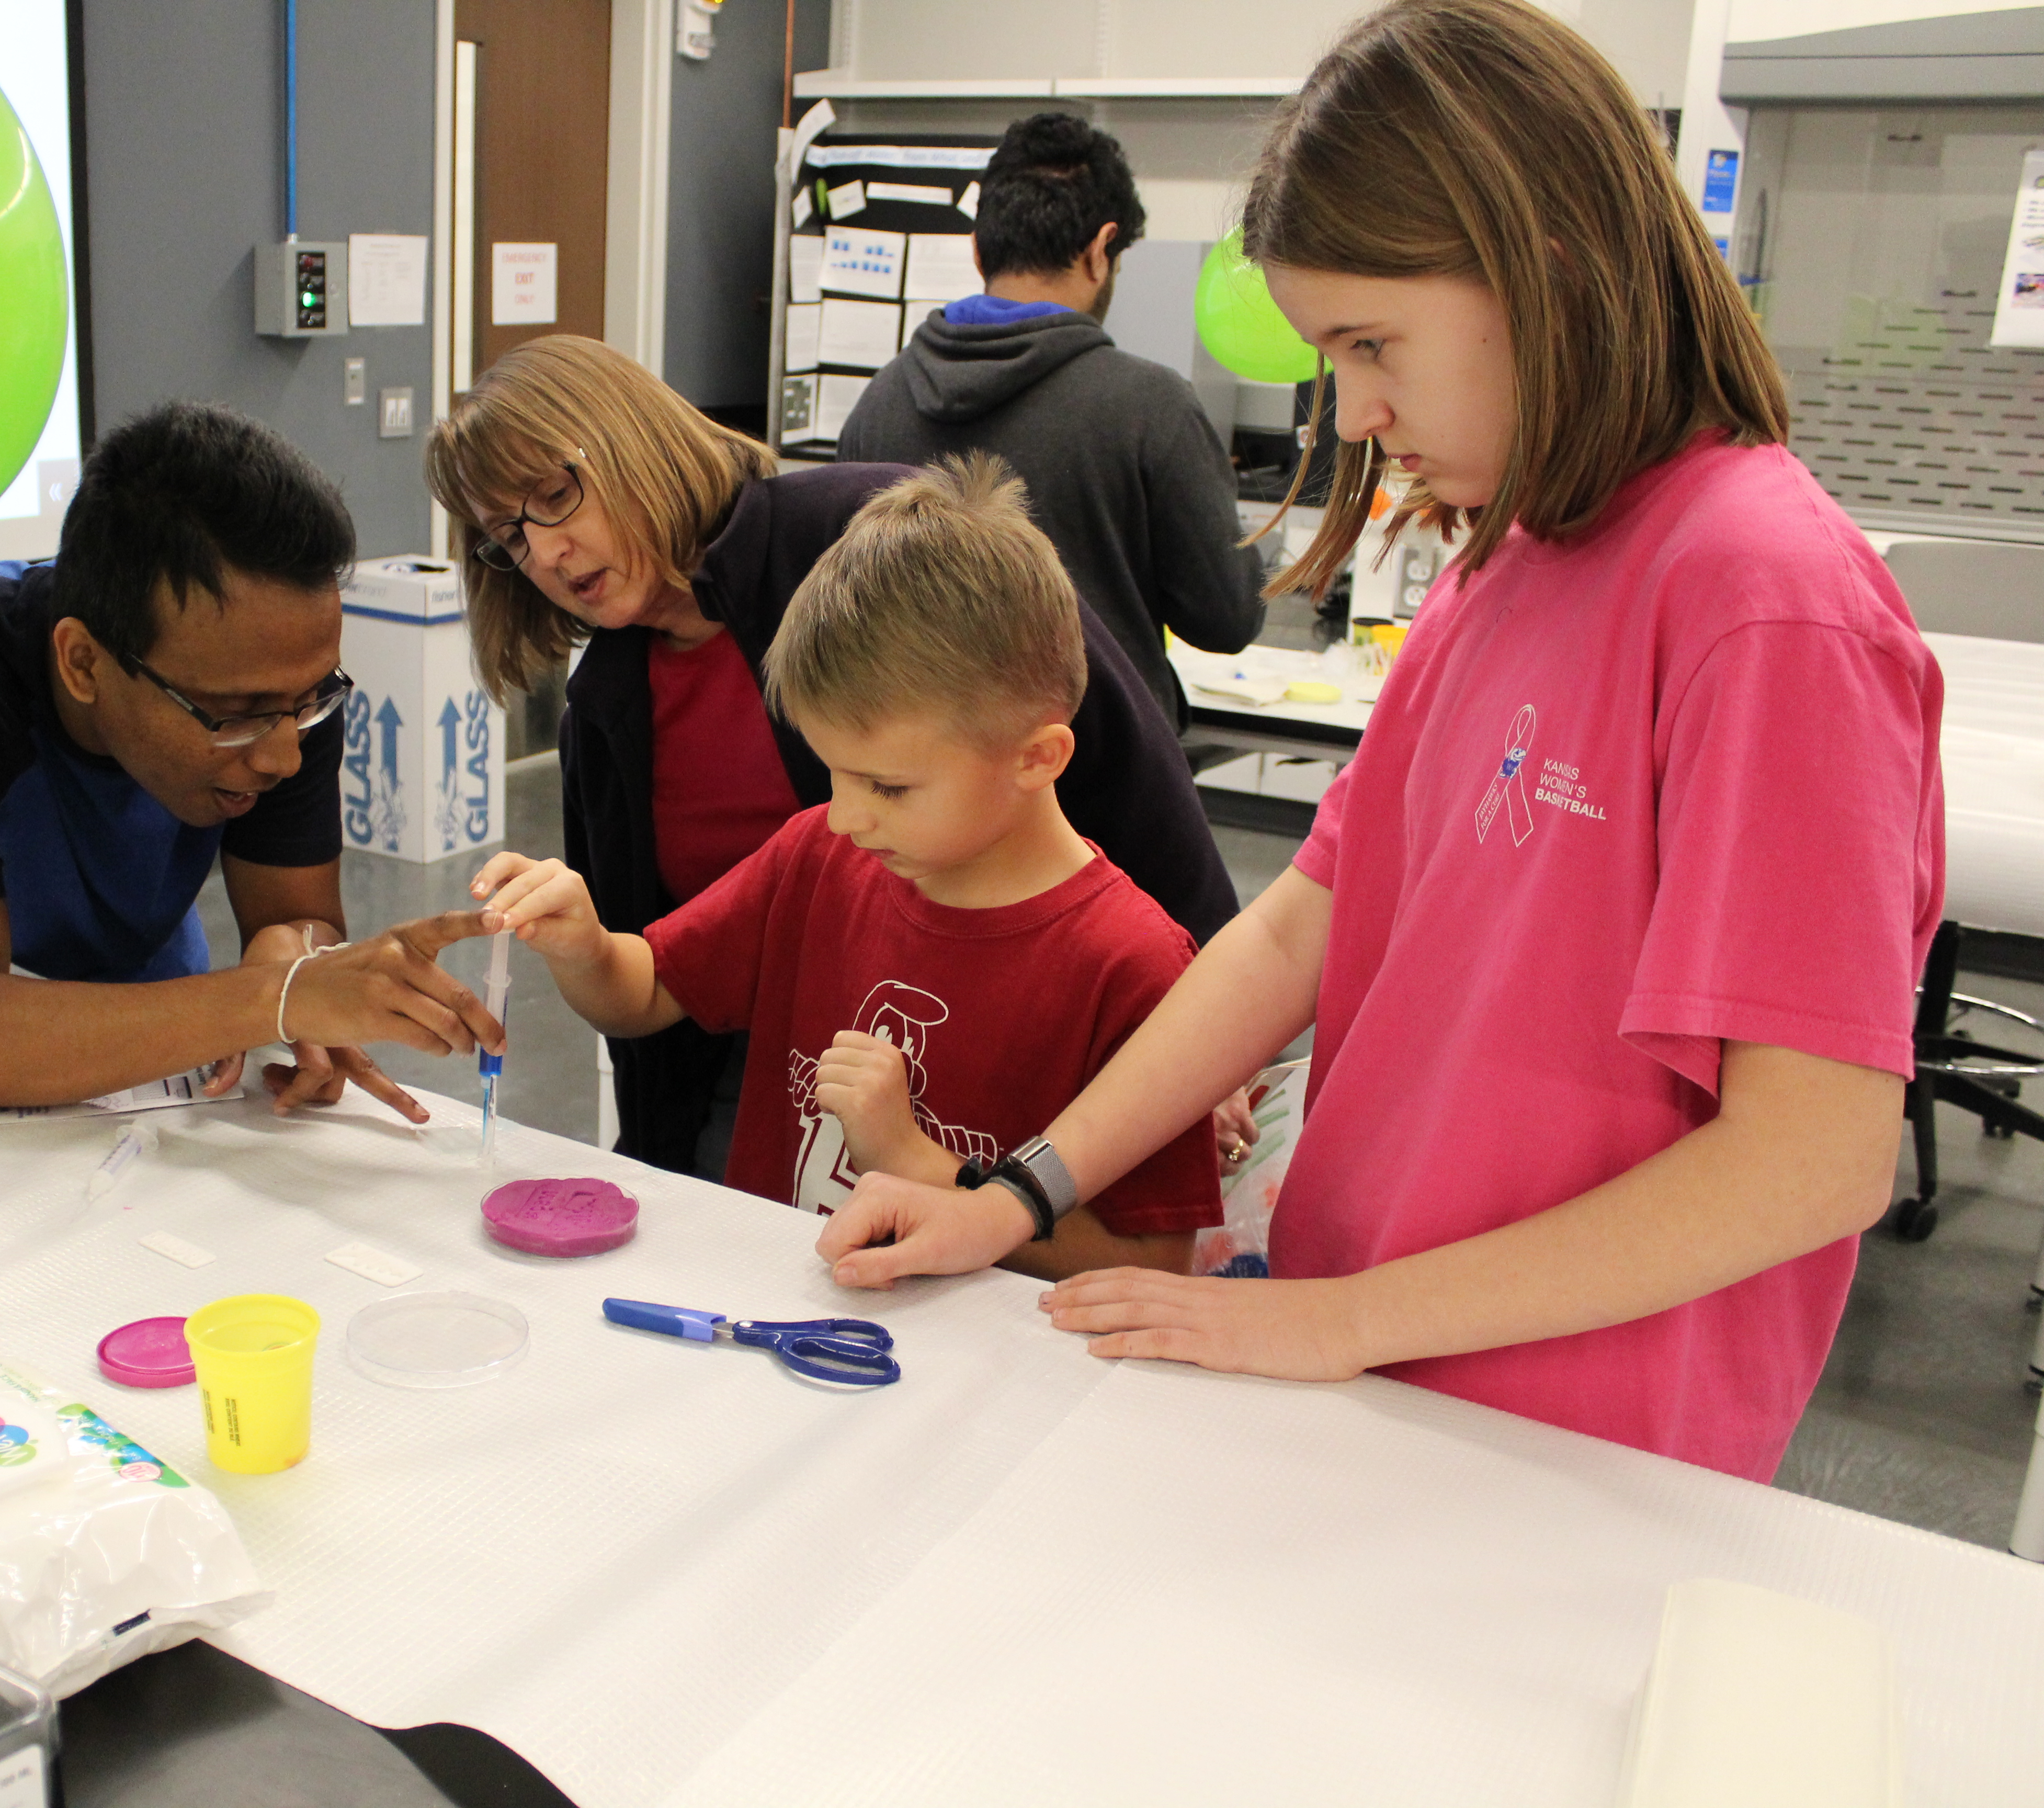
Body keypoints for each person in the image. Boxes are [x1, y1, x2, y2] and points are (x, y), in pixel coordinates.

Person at [813, 0, 1945, 1484]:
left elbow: (1812, 1159)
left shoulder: (1764, 598)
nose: (1355, 412)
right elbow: (1302, 928)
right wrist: (1019, 1191)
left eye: (1371, 343)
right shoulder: (1514, 557)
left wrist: (1346, 1320)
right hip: (1374, 1372)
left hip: (1567, 1449)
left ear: (1545, 269)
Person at [422, 334, 1239, 1178]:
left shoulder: (858, 538)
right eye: (509, 540)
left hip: (1004, 1039)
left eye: (555, 497)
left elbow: (1124, 766)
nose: (545, 555)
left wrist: (1210, 1035)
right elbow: (649, 979)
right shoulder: (605, 705)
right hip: (786, 1071)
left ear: (633, 439)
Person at [0, 402, 502, 1113]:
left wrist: (295, 948)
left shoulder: (287, 695)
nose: (282, 756)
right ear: (83, 664)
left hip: (157, 1002)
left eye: (308, 699)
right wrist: (270, 998)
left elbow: (298, 919)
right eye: (236, 715)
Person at [838, 112, 1266, 733]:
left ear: (980, 249)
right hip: (1099, 784)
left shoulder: (878, 405)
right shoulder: (1151, 407)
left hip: (929, 784)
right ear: (1101, 249)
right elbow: (1227, 619)